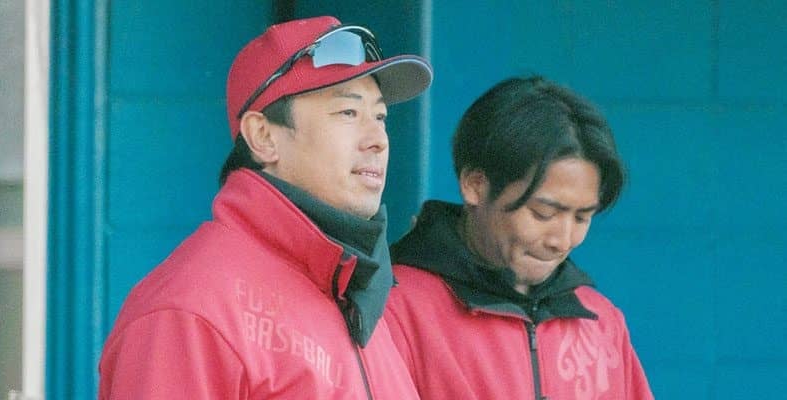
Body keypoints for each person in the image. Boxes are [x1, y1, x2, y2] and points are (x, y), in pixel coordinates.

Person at [98, 15, 432, 399]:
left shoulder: (358, 299)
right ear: (263, 136)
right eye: (348, 113)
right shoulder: (188, 313)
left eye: (380, 116)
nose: (378, 140)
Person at [383, 76, 653, 399]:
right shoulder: (394, 307)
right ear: (475, 185)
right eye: (543, 213)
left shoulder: (601, 321)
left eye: (582, 217)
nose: (562, 240)